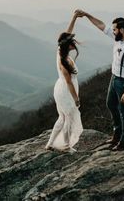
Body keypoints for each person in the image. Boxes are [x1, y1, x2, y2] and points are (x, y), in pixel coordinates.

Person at [77, 10, 124, 151]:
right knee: (110, 104)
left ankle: (123, 142)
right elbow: (101, 25)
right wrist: (87, 15)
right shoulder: (118, 39)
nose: (112, 32)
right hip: (114, 79)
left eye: (114, 29)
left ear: (122, 30)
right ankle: (116, 134)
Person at [45, 11, 84, 153]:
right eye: (72, 43)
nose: (74, 44)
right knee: (69, 118)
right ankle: (66, 146)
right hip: (66, 90)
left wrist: (74, 18)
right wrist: (76, 99)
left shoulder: (60, 50)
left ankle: (50, 143)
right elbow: (69, 82)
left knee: (62, 117)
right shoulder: (64, 61)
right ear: (68, 46)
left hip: (61, 88)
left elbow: (67, 33)